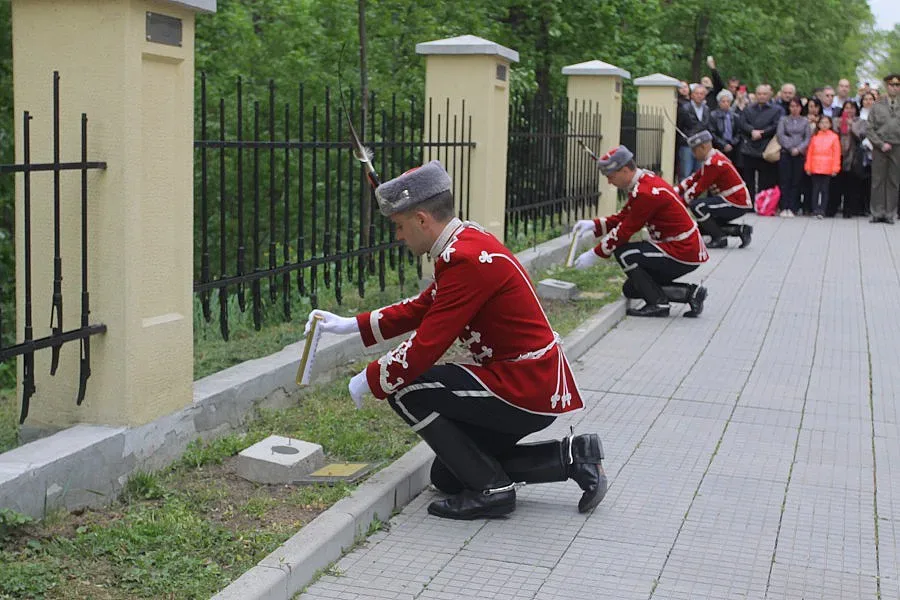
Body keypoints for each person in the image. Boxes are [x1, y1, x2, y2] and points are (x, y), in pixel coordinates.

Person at [304, 160, 607, 520]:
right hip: (529, 380)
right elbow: (424, 305)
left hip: (524, 384)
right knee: (448, 476)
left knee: (406, 388)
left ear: (421, 219)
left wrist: (370, 379)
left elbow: (427, 345)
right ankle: (575, 456)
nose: (398, 236)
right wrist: (349, 325)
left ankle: (493, 492)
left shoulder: (463, 260)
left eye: (400, 226)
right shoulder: (465, 243)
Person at [571, 146, 708, 318]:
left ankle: (658, 304)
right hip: (679, 248)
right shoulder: (644, 182)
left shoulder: (646, 192)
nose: (609, 182)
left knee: (625, 253)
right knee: (632, 289)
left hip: (682, 250)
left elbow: (625, 230)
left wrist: (595, 254)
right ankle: (690, 294)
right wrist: (594, 225)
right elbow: (624, 216)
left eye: (611, 176)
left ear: (625, 170)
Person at [677, 131, 753, 248]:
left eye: (694, 150)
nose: (693, 154)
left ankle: (720, 238)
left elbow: (698, 189)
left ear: (703, 147)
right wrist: (675, 191)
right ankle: (740, 230)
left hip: (736, 201)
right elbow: (693, 178)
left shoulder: (713, 163)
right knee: (702, 226)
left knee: (697, 207)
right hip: (732, 200)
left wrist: (678, 207)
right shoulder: (712, 158)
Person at [866, 73, 900, 224]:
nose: (895, 88)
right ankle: (877, 212)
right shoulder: (877, 105)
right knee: (878, 180)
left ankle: (889, 213)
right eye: (892, 85)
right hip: (880, 146)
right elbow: (869, 128)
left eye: (897, 85)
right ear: (887, 86)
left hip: (897, 146)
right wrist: (880, 144)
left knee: (893, 180)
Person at [739, 84, 782, 198]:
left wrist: (762, 133)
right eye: (759, 94)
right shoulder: (748, 109)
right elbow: (742, 123)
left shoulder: (776, 110)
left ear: (769, 95)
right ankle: (750, 202)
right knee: (748, 179)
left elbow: (776, 125)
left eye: (764, 94)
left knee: (766, 179)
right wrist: (752, 131)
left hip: (766, 147)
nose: (762, 96)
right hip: (749, 146)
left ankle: (763, 202)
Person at [776, 97, 811, 217]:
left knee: (796, 181)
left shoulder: (805, 121)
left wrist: (799, 149)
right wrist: (790, 147)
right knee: (785, 180)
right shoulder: (783, 120)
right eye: (792, 106)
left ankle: (793, 207)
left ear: (801, 108)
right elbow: (780, 135)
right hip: (786, 153)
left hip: (799, 154)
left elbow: (807, 138)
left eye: (796, 106)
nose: (794, 109)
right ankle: (784, 206)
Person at [804, 115, 841, 219]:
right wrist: (808, 167)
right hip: (815, 166)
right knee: (815, 189)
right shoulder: (814, 137)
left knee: (825, 190)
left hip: (828, 167)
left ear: (830, 124)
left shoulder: (834, 137)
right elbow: (810, 153)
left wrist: (835, 168)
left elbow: (836, 154)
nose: (824, 125)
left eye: (826, 123)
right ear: (818, 124)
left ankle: (822, 210)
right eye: (822, 123)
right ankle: (815, 209)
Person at [677, 83, 712, 179]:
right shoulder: (684, 108)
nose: (699, 96)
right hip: (687, 145)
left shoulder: (707, 109)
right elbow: (680, 126)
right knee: (686, 174)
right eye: (697, 93)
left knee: (698, 174)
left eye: (702, 94)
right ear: (692, 95)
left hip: (701, 146)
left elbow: (707, 126)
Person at [710, 90, 741, 163]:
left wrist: (731, 144)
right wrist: (723, 144)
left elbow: (739, 133)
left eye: (728, 101)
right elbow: (712, 132)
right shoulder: (713, 115)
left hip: (732, 147)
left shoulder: (735, 116)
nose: (726, 103)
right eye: (723, 101)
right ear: (719, 103)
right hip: (718, 147)